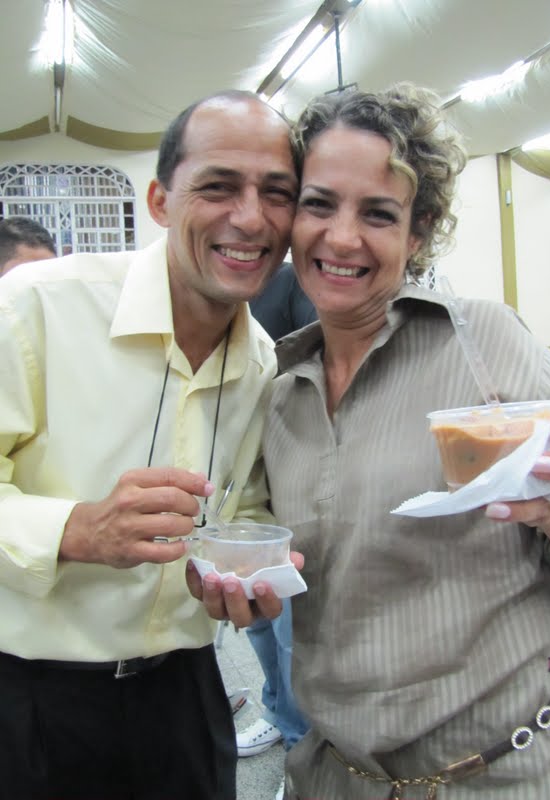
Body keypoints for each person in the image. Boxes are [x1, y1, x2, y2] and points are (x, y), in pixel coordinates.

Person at [192, 84, 550, 799]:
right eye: (319, 204)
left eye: (378, 214)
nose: (341, 237)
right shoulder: (278, 388)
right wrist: (242, 588)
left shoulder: (485, 343)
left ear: (418, 231)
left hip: (503, 775)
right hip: (336, 777)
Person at [0, 89, 298, 800]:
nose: (250, 217)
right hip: (30, 701)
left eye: (277, 194)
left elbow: (245, 505)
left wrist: (250, 571)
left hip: (184, 697)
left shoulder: (262, 361)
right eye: (218, 187)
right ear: (161, 201)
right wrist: (76, 529)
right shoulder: (37, 306)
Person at [233, 269, 314, 798]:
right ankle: (277, 713)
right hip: (249, 488)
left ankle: (301, 754)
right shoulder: (227, 294)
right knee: (256, 620)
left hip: (297, 478)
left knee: (290, 634)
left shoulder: (296, 283)